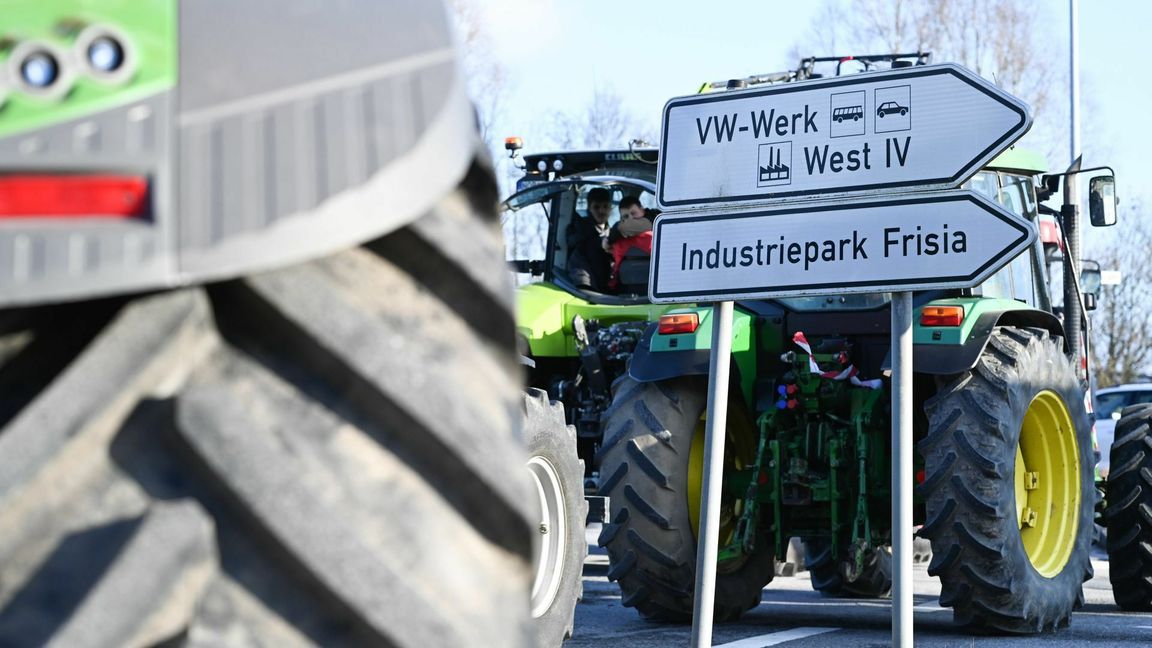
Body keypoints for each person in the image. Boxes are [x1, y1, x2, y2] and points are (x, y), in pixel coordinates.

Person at [567, 187, 614, 291]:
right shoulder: (579, 228)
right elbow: (572, 242)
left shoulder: (613, 232)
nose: (601, 211)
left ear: (610, 208)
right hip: (588, 290)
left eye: (605, 206)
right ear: (589, 208)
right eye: (596, 207)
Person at [607, 196, 654, 291]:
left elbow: (624, 228)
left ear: (642, 210)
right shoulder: (619, 234)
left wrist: (608, 241)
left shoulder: (653, 219)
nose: (631, 218)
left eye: (634, 213)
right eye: (626, 216)